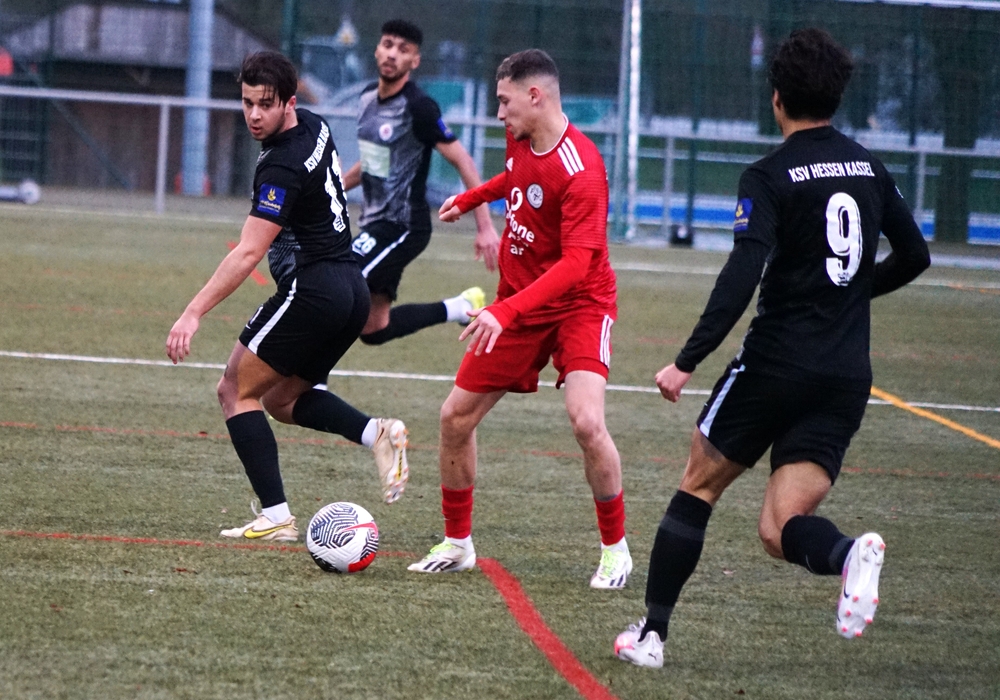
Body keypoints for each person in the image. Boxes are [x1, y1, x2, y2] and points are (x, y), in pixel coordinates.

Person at [614, 28, 931, 668]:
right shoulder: (869, 166)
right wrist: (849, 294)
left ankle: (651, 637)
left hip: (775, 365)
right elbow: (915, 255)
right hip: (845, 376)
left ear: (777, 97)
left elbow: (742, 275)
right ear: (836, 98)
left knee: (698, 485)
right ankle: (849, 554)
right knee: (778, 527)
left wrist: (686, 360)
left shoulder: (767, 175)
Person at [407, 49, 632, 590]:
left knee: (586, 422)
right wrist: (472, 198)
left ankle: (615, 551)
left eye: (504, 101)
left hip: (580, 304)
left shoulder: (583, 170)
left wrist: (504, 310)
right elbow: (515, 179)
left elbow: (577, 264)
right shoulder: (521, 136)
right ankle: (458, 544)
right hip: (519, 303)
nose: (499, 113)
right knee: (454, 418)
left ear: (536, 96)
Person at [165, 51, 411, 542]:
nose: (254, 115)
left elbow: (247, 252)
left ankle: (276, 517)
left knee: (234, 391)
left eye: (266, 104)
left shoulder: (280, 165)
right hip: (351, 290)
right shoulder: (316, 125)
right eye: (247, 103)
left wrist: (192, 312)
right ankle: (377, 433)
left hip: (313, 290)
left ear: (289, 102)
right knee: (282, 398)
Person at [340, 19, 500, 347]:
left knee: (338, 283)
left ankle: (303, 376)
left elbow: (463, 161)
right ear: (377, 50)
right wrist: (332, 188)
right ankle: (460, 307)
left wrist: (484, 227)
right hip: (375, 222)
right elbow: (372, 162)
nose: (392, 54)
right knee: (374, 329)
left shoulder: (419, 107)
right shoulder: (367, 98)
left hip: (403, 226)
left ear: (415, 61)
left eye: (403, 50)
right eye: (387, 45)